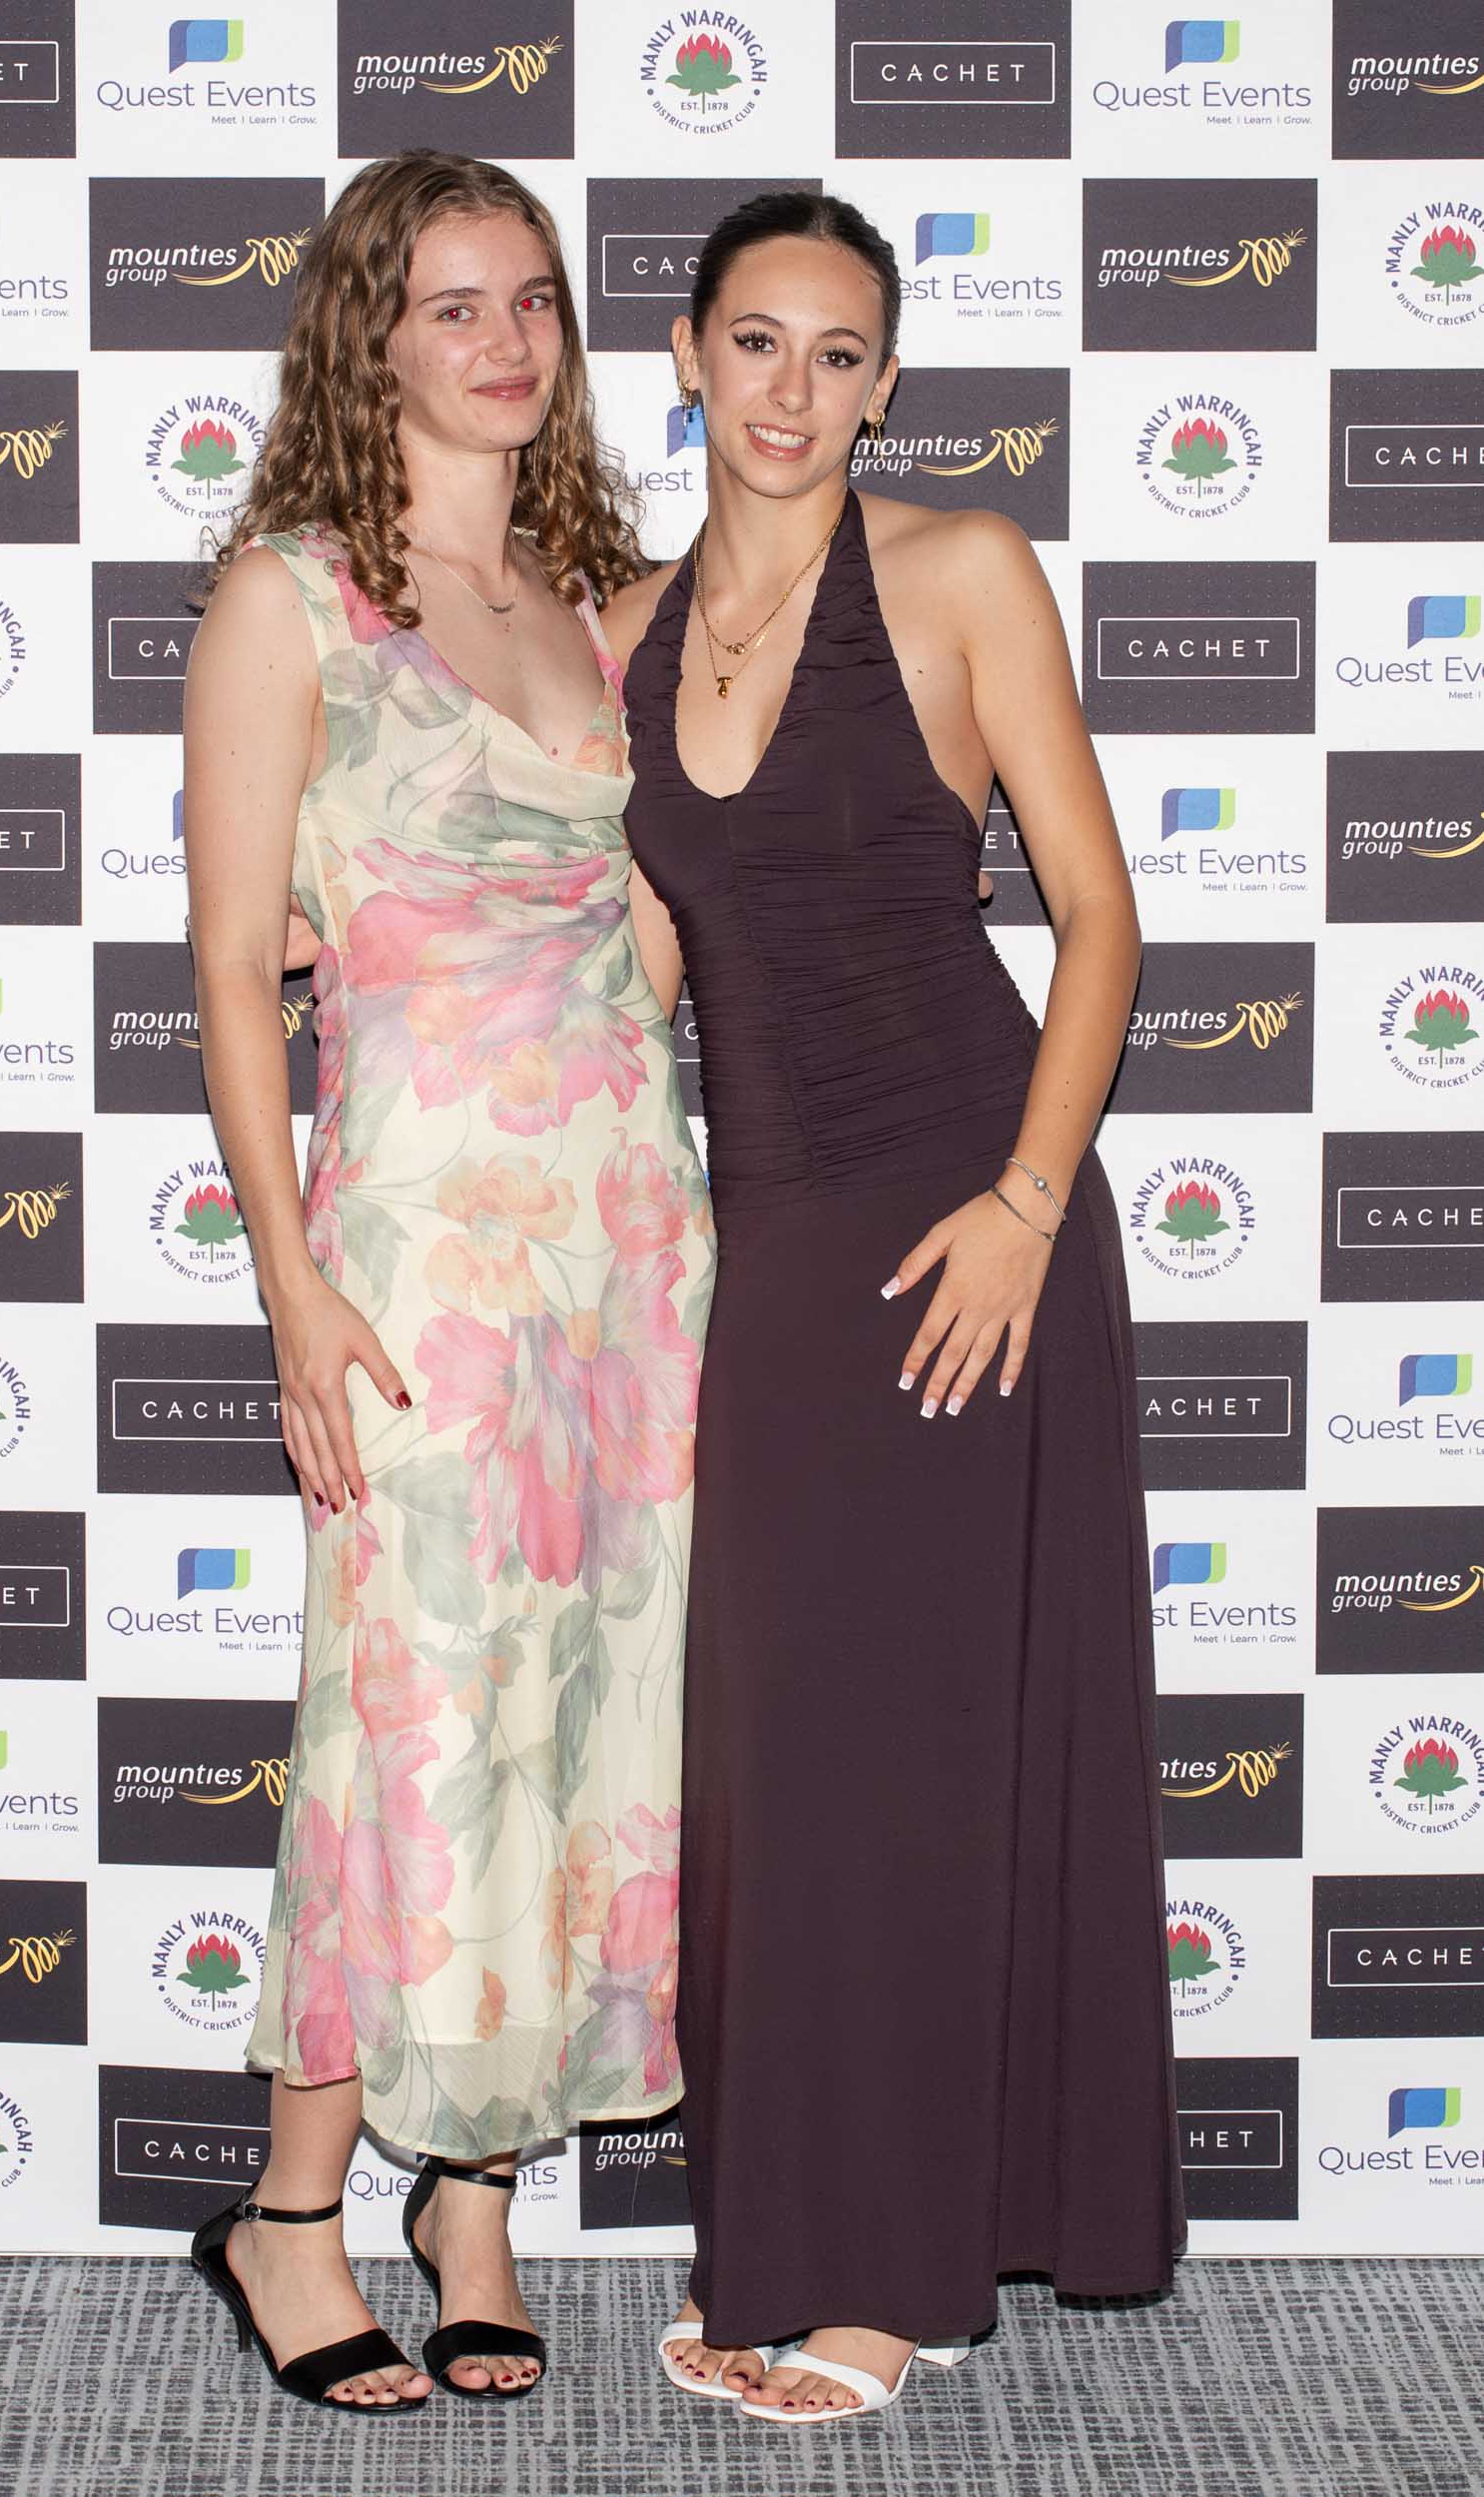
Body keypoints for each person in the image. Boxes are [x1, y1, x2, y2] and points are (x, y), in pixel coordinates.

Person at [602, 191, 1186, 2428]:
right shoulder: (622, 626)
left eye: (839, 354)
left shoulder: (961, 576)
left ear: (888, 383)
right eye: (756, 342)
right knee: (784, 1765)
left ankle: (891, 2280)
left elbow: (1099, 916)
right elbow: (630, 966)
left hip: (972, 1227)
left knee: (920, 1755)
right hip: (770, 1255)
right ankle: (792, 2225)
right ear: (686, 351)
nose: (793, 391)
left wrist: (1029, 1202)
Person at [180, 150, 713, 2415]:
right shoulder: (285, 601)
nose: (506, 343)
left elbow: (657, 922)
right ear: (370, 339)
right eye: (454, 306)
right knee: (402, 1731)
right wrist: (292, 1288)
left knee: (586, 1730)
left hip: (627, 1246)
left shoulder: (600, 603)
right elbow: (232, 969)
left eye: (535, 303)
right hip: (414, 1249)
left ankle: (472, 2200)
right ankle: (289, 2214)